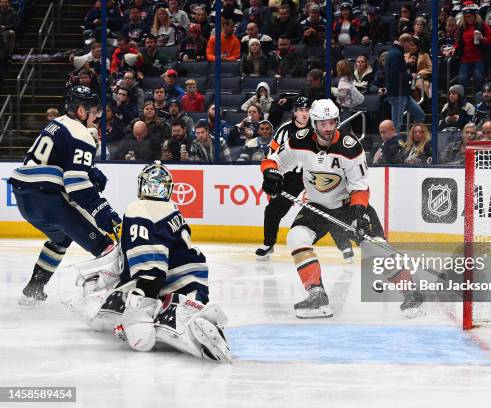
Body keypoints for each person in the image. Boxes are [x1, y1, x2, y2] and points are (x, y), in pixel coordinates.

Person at [66, 161, 231, 362]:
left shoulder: (140, 208)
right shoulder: (172, 210)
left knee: (118, 303)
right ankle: (192, 310)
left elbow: (151, 264)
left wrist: (143, 298)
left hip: (165, 282)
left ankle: (176, 313)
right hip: (193, 279)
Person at [260, 99, 382, 318]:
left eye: (332, 122)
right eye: (323, 123)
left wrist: (357, 214)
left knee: (378, 249)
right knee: (296, 237)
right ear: (314, 123)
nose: (328, 128)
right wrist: (271, 173)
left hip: (348, 206)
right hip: (316, 207)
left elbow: (360, 187)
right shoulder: (299, 141)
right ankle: (317, 294)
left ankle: (411, 293)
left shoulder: (350, 147)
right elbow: (274, 160)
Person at [8, 86, 121, 306]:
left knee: (60, 240)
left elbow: (54, 158)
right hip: (47, 198)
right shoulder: (82, 135)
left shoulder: (57, 123)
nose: (96, 116)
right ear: (81, 111)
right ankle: (112, 300)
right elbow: (76, 185)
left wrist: (89, 169)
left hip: (24, 196)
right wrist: (102, 211)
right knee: (105, 246)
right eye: (94, 111)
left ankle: (34, 289)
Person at [256, 97, 353, 262]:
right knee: (273, 210)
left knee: (327, 207)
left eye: (307, 110)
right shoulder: (284, 131)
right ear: (294, 112)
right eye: (300, 110)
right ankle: (268, 244)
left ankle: (344, 245)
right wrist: (272, 173)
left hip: (316, 175)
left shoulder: (318, 128)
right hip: (292, 177)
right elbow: (272, 156)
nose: (303, 113)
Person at [385, 33, 425, 131]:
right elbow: (396, 75)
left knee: (420, 116)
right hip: (398, 94)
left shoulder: (393, 52)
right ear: (405, 42)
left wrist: (407, 65)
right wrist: (410, 76)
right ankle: (392, 145)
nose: (410, 47)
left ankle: (413, 137)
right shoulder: (396, 54)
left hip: (403, 94)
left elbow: (397, 70)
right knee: (396, 126)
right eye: (410, 44)